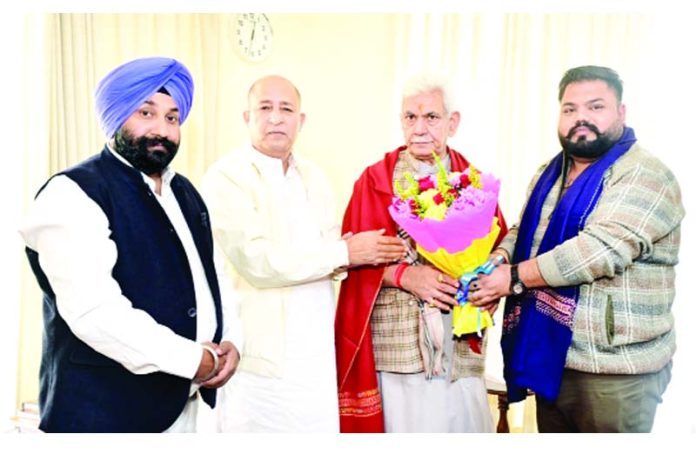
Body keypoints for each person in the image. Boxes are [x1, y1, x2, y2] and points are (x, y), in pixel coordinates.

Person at [19, 57, 242, 433]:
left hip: (179, 409)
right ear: (117, 115)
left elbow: (215, 276)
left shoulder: (185, 193)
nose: (161, 130)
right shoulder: (72, 193)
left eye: (172, 118)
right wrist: (194, 360)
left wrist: (230, 341)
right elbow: (95, 313)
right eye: (146, 112)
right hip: (101, 415)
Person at [469, 65, 684, 433]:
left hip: (614, 371)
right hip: (551, 357)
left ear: (621, 112)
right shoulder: (548, 173)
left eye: (595, 106)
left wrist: (513, 278)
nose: (581, 117)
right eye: (570, 109)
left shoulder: (645, 173)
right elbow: (525, 232)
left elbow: (598, 250)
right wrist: (498, 260)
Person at [201, 75, 406, 432]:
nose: (276, 118)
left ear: (301, 120)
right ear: (247, 117)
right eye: (265, 108)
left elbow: (331, 253)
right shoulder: (226, 177)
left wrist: (370, 250)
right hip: (261, 362)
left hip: (317, 357)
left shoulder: (314, 176)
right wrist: (346, 252)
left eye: (286, 109)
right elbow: (259, 262)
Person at [335, 74, 508, 432]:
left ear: (452, 122)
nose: (420, 128)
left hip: (459, 343)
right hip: (398, 349)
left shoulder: (473, 182)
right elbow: (349, 260)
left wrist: (489, 287)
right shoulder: (375, 181)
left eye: (431, 117)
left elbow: (499, 251)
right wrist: (405, 275)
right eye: (410, 117)